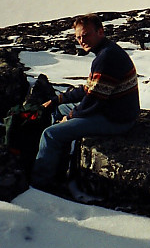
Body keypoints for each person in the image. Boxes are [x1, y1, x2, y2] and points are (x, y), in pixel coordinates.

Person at [31, 13, 140, 190]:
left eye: (86, 35)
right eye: (78, 37)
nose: (82, 40)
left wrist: (72, 116)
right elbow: (90, 89)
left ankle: (41, 185)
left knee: (50, 135)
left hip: (115, 119)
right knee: (59, 110)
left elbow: (94, 100)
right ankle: (61, 165)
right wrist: (57, 100)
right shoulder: (106, 51)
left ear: (100, 32)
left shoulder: (106, 58)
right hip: (109, 109)